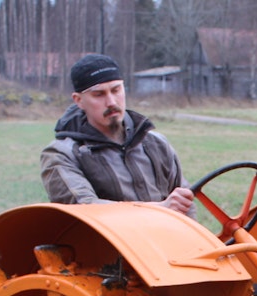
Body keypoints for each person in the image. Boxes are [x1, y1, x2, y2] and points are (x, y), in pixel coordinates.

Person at [41, 53, 194, 215]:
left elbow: (184, 203)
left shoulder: (156, 144)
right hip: (103, 241)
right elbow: (85, 211)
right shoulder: (62, 155)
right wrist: (160, 209)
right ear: (78, 100)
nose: (111, 102)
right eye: (99, 94)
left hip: (161, 239)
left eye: (116, 90)